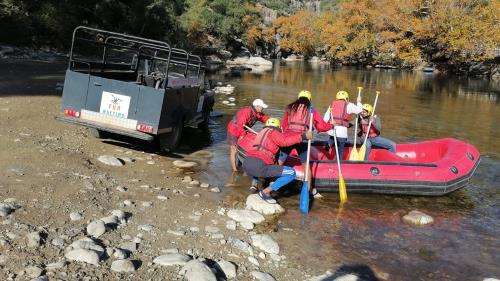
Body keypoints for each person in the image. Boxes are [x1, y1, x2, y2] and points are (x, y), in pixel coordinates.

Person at [243, 118, 313, 203]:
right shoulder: (274, 132)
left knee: (260, 164)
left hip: (246, 163)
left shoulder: (261, 132)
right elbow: (284, 142)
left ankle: (254, 185)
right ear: (278, 127)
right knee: (291, 173)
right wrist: (303, 136)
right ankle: (265, 192)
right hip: (259, 166)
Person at [278, 90, 333, 198]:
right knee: (306, 166)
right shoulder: (311, 110)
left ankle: (271, 183)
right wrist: (331, 125)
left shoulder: (289, 107)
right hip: (302, 139)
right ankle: (309, 190)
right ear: (309, 99)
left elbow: (284, 126)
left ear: (298, 98)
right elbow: (321, 127)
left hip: (288, 137)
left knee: (279, 162)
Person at [227, 99, 269, 172]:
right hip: (233, 130)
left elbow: (266, 119)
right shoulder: (246, 111)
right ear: (257, 106)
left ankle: (240, 163)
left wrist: (274, 124)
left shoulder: (258, 113)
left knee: (241, 147)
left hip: (242, 129)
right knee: (234, 150)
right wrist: (242, 136)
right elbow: (240, 124)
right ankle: (234, 169)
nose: (263, 108)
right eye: (262, 107)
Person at [323, 90, 362, 160]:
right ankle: (339, 162)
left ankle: (329, 144)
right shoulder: (349, 104)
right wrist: (359, 101)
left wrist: (324, 127)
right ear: (346, 98)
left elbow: (325, 119)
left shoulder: (332, 104)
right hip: (341, 132)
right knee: (340, 149)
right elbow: (359, 110)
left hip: (332, 130)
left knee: (332, 136)